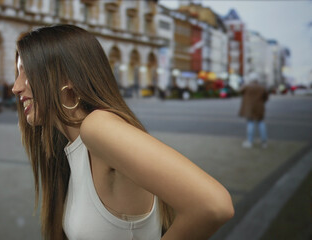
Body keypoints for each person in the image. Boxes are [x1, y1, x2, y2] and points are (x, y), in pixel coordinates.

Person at [12, 24, 234, 240]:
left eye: (27, 72)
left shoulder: (97, 127)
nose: (16, 87)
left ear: (67, 78)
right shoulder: (72, 146)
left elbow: (213, 205)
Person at [239, 76, 269, 149]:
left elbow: (240, 91)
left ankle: (250, 141)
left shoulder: (247, 87)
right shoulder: (262, 87)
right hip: (259, 107)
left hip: (249, 108)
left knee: (250, 123)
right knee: (261, 123)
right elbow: (266, 97)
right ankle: (264, 142)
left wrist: (244, 84)